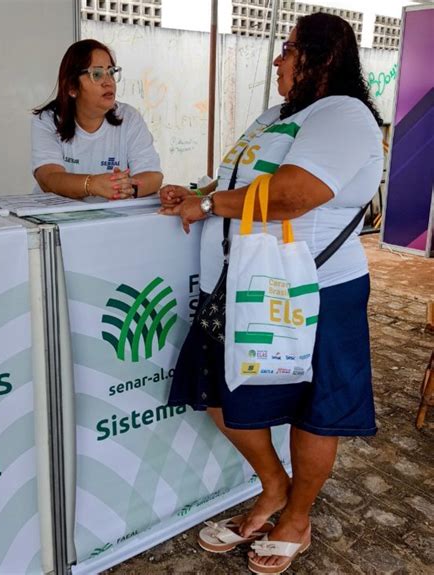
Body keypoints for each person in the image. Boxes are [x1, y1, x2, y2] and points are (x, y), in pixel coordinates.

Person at [160, 12, 383, 575]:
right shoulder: (275, 116)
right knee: (218, 392)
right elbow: (239, 180)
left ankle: (297, 517)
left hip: (316, 290)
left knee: (314, 411)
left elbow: (293, 194)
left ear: (321, 58)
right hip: (243, 282)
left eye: (287, 50)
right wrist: (194, 190)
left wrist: (209, 206)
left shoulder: (345, 115)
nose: (278, 60)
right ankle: (274, 486)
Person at [32, 39, 162, 201]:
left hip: (110, 218)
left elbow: (153, 176)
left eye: (111, 72)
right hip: (58, 219)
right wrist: (92, 184)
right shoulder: (48, 120)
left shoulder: (129, 117)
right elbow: (48, 178)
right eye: (97, 74)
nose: (108, 82)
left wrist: (128, 188)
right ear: (72, 87)